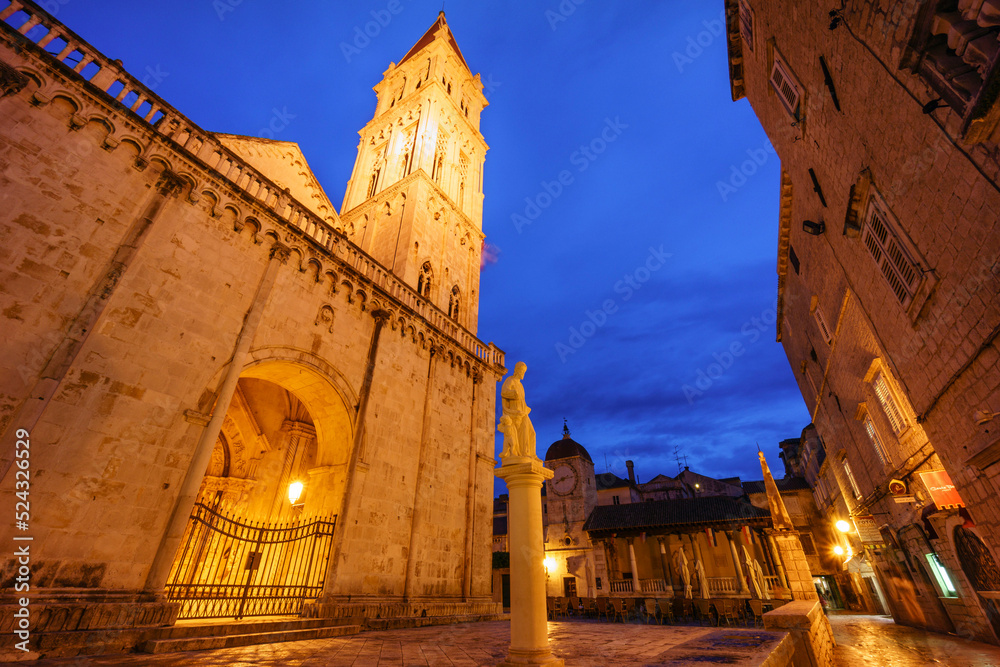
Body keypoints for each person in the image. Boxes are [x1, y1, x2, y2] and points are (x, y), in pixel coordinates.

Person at [500, 362, 536, 459]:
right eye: (522, 371)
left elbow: (522, 400)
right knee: (522, 433)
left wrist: (526, 408)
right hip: (515, 412)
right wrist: (513, 393)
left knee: (532, 432)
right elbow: (504, 392)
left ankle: (532, 454)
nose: (523, 373)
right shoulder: (510, 380)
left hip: (523, 412)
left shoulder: (520, 385)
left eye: (524, 372)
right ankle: (524, 454)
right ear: (517, 370)